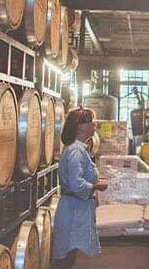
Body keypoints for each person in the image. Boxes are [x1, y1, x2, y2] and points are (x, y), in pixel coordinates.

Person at [52, 108, 108, 269]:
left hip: (75, 208)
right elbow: (76, 184)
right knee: (65, 256)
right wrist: (96, 186)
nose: (93, 125)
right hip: (73, 209)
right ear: (79, 127)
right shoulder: (76, 151)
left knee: (69, 253)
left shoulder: (78, 148)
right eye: (89, 121)